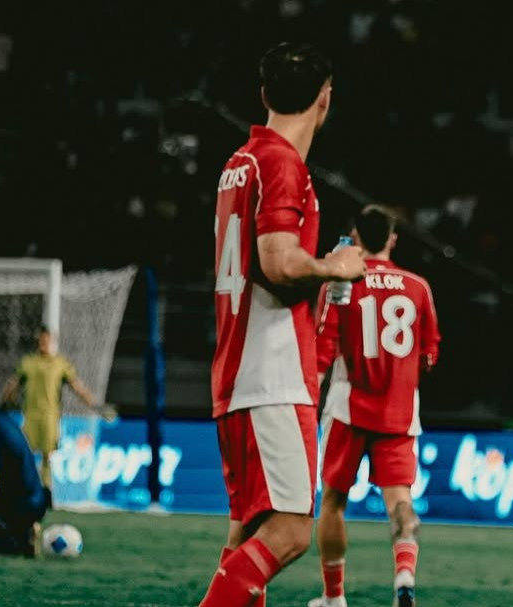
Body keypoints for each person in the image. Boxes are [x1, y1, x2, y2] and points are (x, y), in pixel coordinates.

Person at [201, 42, 367, 607]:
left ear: (265, 94)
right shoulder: (281, 164)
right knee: (292, 529)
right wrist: (334, 266)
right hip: (272, 371)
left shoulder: (239, 163)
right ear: (325, 100)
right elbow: (278, 261)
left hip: (237, 368)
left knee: (248, 531)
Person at [309, 204, 441, 607]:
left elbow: (322, 351)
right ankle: (404, 576)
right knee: (400, 502)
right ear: (392, 239)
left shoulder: (340, 283)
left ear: (356, 237)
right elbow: (430, 353)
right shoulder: (418, 287)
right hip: (399, 411)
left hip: (349, 408)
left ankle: (334, 598)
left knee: (333, 501)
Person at [0, 326, 112, 489]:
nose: (44, 343)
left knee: (48, 455)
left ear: (52, 342)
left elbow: (77, 387)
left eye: (47, 340)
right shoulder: (28, 363)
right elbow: (13, 384)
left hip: (50, 417)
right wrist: (4, 402)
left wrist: (95, 405)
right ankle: (24, 488)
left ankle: (46, 491)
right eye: (41, 339)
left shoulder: (60, 364)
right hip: (30, 415)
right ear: (38, 341)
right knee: (24, 453)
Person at [0, 406, 50, 557]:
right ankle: (21, 534)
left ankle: (14, 540)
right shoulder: (0, 419)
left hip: (20, 507)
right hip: (33, 501)